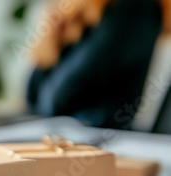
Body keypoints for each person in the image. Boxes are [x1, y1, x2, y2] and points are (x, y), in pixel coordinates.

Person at [27, 0, 171, 129]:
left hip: (97, 135)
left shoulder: (136, 7)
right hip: (69, 133)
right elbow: (32, 96)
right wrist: (51, 40)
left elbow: (57, 99)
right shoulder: (86, 14)